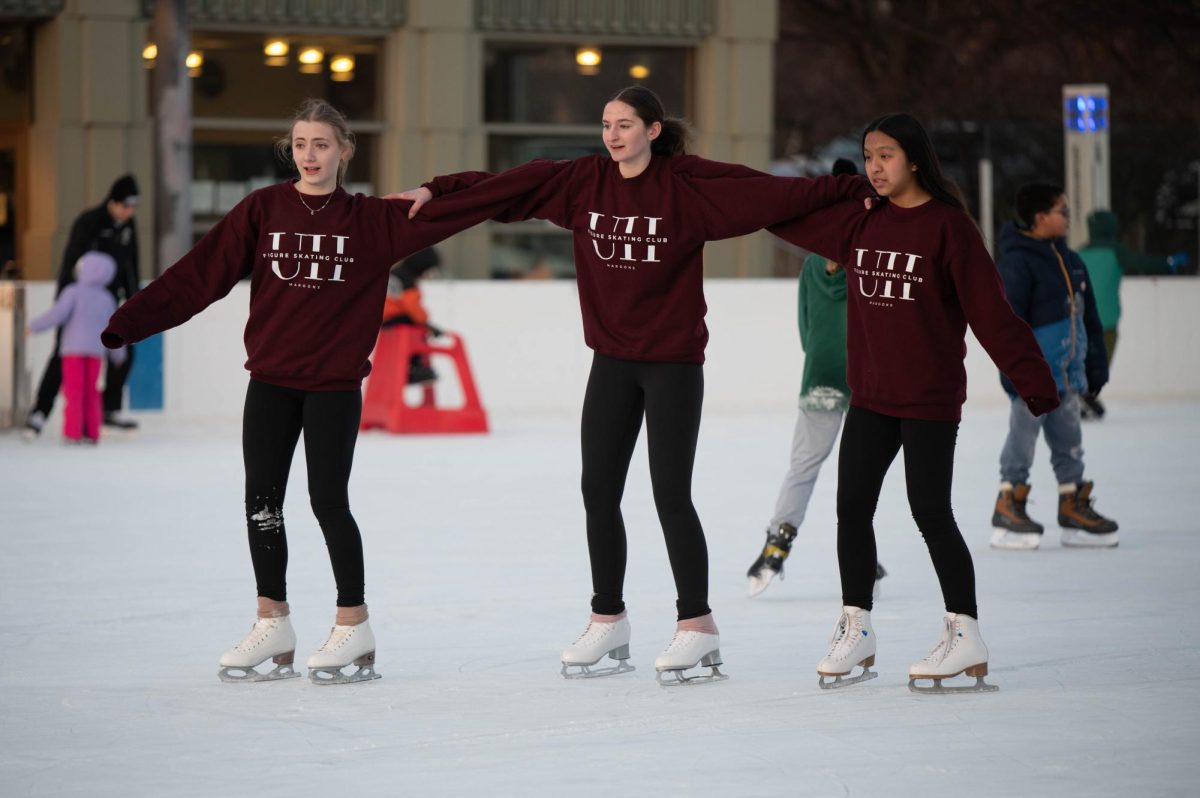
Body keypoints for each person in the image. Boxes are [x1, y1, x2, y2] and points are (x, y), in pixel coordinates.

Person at [400, 86, 874, 684]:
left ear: (653, 130)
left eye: (625, 125)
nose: (613, 135)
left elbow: (776, 194)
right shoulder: (582, 182)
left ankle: (696, 627)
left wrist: (856, 190)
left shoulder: (688, 185)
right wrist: (437, 191)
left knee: (670, 496)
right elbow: (508, 188)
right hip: (612, 364)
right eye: (606, 125)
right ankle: (608, 618)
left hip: (673, 365)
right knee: (597, 490)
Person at [101, 99, 561, 685]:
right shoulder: (262, 209)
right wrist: (131, 320)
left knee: (328, 502)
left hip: (334, 388)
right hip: (269, 380)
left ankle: (353, 623)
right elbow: (201, 272)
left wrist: (438, 186)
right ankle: (274, 622)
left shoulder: (374, 221)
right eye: (299, 144)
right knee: (261, 504)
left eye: (321, 144)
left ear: (344, 150)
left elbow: (474, 203)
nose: (309, 155)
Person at [770, 113, 1059, 693]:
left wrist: (1036, 384)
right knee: (851, 506)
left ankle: (965, 633)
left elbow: (992, 315)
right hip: (872, 397)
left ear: (916, 160)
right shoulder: (860, 222)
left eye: (886, 156)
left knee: (930, 512)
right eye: (869, 156)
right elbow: (784, 214)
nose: (875, 168)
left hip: (928, 399)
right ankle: (857, 626)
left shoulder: (948, 229)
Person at [745, 158, 888, 599]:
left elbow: (807, 329)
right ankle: (864, 558)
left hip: (822, 375)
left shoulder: (811, 265)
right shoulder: (873, 257)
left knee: (803, 469)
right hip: (871, 380)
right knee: (861, 478)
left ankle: (776, 544)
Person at [991, 184, 1118, 551]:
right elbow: (1007, 325)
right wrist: (1016, 373)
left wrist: (1096, 366)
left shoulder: (1071, 259)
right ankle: (1008, 501)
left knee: (1070, 441)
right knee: (1022, 440)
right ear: (1039, 217)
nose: (1068, 217)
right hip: (1034, 377)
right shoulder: (1017, 263)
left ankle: (1071, 503)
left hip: (1067, 375)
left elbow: (1089, 318)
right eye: (1061, 210)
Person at [25, 175, 141, 439]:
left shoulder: (128, 226)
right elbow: (70, 263)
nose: (128, 212)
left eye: (133, 207)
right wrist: (69, 300)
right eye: (125, 206)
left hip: (109, 303)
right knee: (63, 353)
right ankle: (40, 411)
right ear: (112, 202)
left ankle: (109, 409)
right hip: (77, 298)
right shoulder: (89, 222)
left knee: (124, 350)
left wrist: (134, 302)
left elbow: (131, 266)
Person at [1076, 209, 1189, 419]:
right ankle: (1085, 395)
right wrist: (1169, 263)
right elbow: (1140, 264)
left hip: (1080, 319)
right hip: (1106, 319)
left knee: (1084, 357)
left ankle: (1083, 395)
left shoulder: (1080, 253)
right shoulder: (1116, 251)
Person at [26, 252, 127, 443]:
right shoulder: (106, 298)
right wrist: (118, 354)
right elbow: (113, 329)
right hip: (96, 352)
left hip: (73, 351)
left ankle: (73, 432)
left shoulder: (72, 292)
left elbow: (56, 315)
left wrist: (34, 326)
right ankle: (91, 433)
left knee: (74, 392)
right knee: (91, 392)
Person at [381, 247, 441, 385]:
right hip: (396, 319)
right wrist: (426, 323)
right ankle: (415, 368)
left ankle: (410, 367)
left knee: (415, 326)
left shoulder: (396, 273)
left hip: (384, 320)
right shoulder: (407, 277)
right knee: (418, 331)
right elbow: (411, 304)